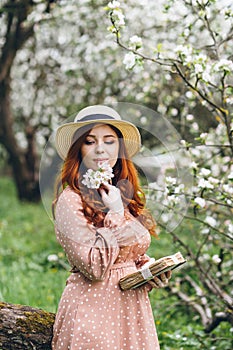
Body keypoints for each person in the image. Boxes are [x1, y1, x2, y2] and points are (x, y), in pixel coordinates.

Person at [52, 105, 172, 350]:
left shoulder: (120, 194)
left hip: (132, 312)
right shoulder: (70, 200)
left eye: (109, 141)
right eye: (89, 141)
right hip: (94, 312)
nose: (100, 149)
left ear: (119, 148)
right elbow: (94, 266)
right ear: (79, 150)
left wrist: (147, 269)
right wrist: (115, 212)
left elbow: (126, 254)